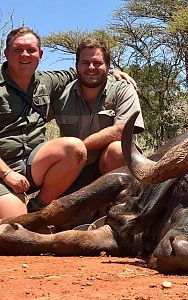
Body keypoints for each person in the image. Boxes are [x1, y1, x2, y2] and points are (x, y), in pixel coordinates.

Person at [0, 27, 137, 218]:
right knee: (15, 230)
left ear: (40, 54)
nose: (25, 55)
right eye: (17, 50)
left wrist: (110, 71)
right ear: (6, 53)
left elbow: (121, 130)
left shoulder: (48, 81)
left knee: (91, 148)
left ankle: (40, 207)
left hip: (34, 165)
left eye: (31, 50)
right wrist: (7, 174)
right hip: (3, 168)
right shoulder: (61, 90)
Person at [50, 38, 144, 195]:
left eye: (97, 63)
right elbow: (36, 121)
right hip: (75, 168)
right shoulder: (61, 95)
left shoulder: (123, 89)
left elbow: (121, 130)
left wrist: (78, 148)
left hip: (113, 166)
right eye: (85, 63)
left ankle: (117, 206)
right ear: (76, 66)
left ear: (107, 66)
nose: (91, 67)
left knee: (118, 150)